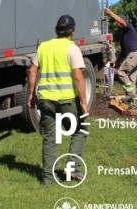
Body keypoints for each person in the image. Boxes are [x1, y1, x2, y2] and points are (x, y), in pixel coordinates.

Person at [27, 14, 90, 185]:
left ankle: (48, 179)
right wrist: (84, 102)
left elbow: (32, 71)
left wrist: (31, 95)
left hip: (46, 101)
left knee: (50, 138)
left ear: (57, 30)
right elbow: (78, 76)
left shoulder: (44, 47)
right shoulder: (72, 48)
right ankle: (72, 169)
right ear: (72, 31)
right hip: (67, 101)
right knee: (80, 130)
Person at [105, 7, 137, 106]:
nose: (116, 24)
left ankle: (131, 94)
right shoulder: (124, 36)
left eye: (117, 22)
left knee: (121, 72)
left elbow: (122, 21)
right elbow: (123, 53)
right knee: (130, 78)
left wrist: (110, 13)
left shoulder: (128, 27)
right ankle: (132, 103)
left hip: (134, 54)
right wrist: (116, 63)